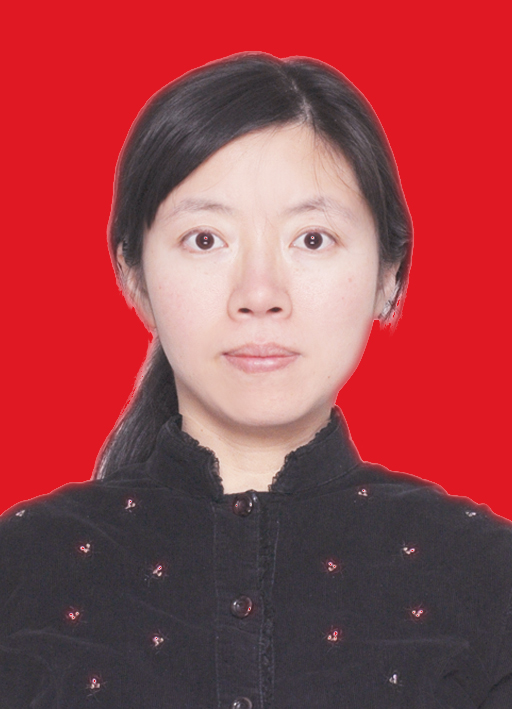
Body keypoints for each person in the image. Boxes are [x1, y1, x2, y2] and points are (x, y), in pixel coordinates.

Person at [0, 52, 510, 708]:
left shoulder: (489, 577)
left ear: (389, 273)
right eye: (205, 240)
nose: (260, 294)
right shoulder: (20, 568)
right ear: (133, 276)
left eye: (313, 239)